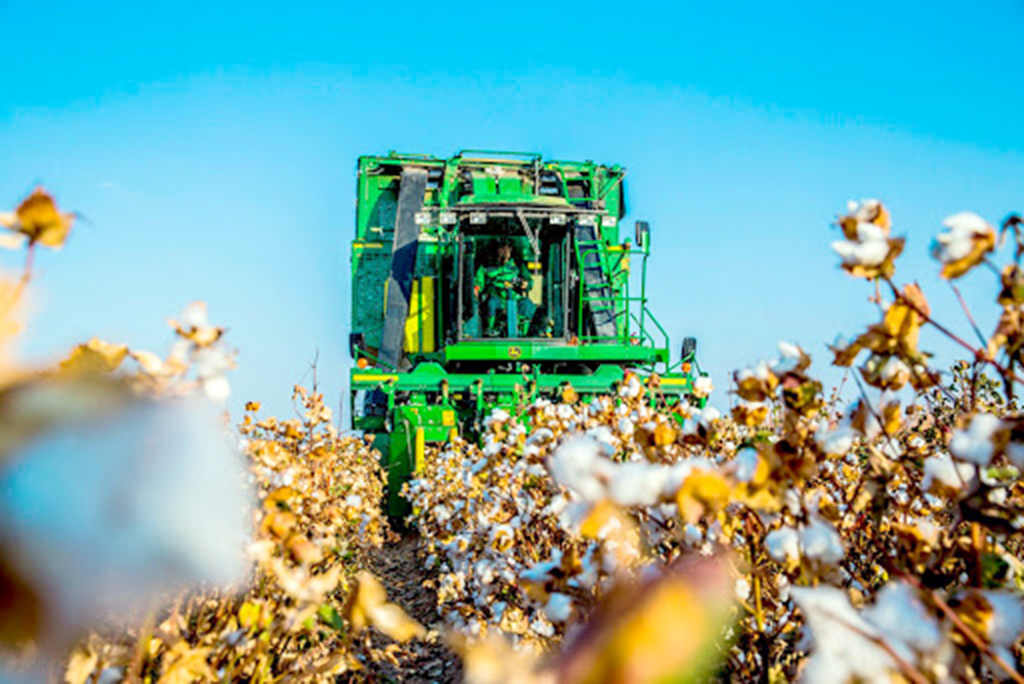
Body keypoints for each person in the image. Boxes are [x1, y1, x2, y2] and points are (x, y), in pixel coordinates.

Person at [474, 239, 532, 336]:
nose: (505, 251)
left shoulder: (518, 265)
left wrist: (526, 284)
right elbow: (479, 283)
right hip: (496, 297)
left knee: (527, 304)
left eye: (508, 248)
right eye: (502, 248)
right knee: (490, 303)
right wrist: (476, 289)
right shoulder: (486, 266)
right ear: (496, 250)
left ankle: (521, 332)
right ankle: (490, 329)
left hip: (514, 297)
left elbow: (528, 281)